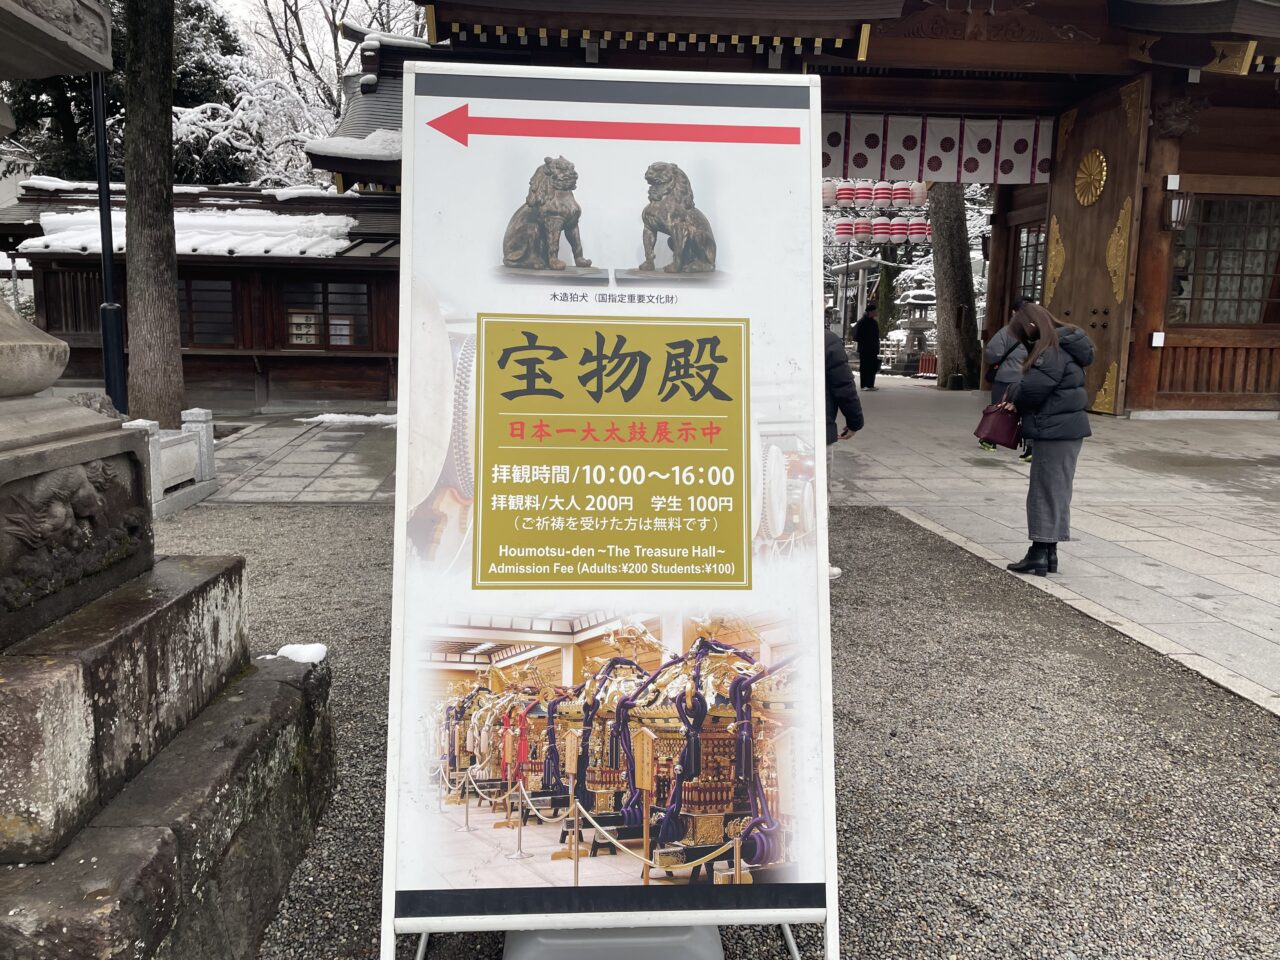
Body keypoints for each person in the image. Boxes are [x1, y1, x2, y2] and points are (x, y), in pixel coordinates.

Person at [1000, 302, 1094, 577]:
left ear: (1031, 328)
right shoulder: (1066, 346)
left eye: (1023, 335)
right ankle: (1049, 552)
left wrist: (1014, 396)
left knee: (1045, 491)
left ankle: (1039, 553)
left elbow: (1033, 390)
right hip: (1066, 429)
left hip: (1054, 429)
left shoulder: (1051, 351)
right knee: (1057, 490)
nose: (1024, 342)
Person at [824, 328, 864, 580]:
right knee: (815, 497)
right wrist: (855, 421)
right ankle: (816, 560)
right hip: (815, 430)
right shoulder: (826, 338)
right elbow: (843, 385)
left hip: (766, 427)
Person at [982, 296, 1033, 461]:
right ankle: (1030, 448)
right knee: (1027, 411)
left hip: (1006, 377)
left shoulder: (1007, 331)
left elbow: (993, 353)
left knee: (999, 407)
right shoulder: (1037, 331)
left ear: (1013, 312)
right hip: (1028, 378)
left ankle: (990, 440)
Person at [851, 301, 882, 391]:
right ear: (870, 312)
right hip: (864, 349)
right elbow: (856, 336)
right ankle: (864, 385)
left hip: (873, 349)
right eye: (875, 311)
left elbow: (876, 337)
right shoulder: (861, 322)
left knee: (872, 367)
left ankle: (871, 385)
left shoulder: (874, 323)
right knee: (865, 367)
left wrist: (876, 347)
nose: (876, 313)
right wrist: (866, 341)